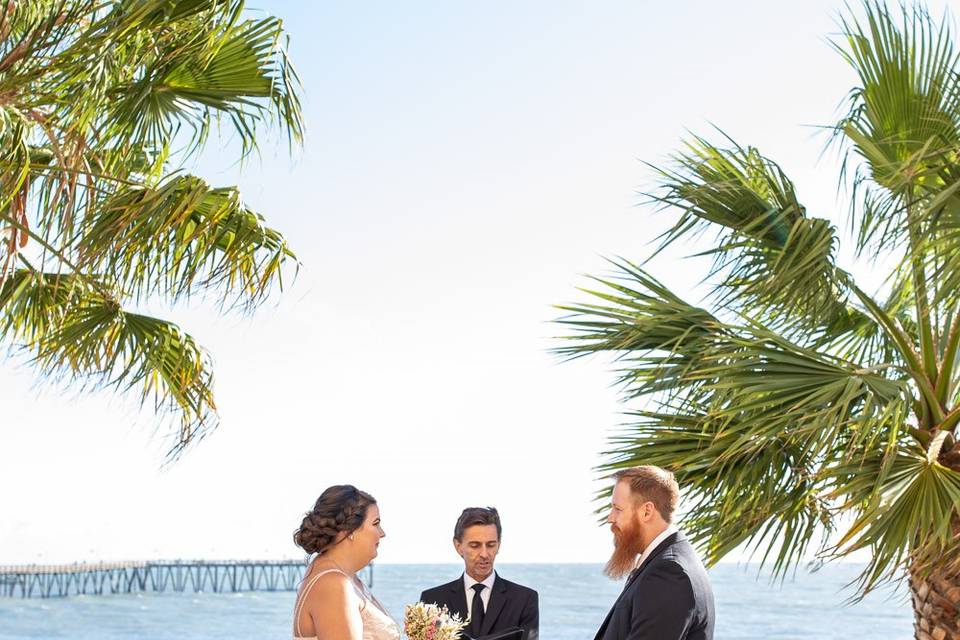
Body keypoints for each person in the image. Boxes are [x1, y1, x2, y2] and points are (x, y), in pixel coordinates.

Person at [593, 466, 715, 640]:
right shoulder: (668, 563)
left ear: (647, 511)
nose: (610, 518)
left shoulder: (668, 574)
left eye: (617, 509)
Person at [292, 485, 400, 640]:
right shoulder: (334, 584)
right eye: (375, 523)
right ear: (350, 530)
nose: (382, 533)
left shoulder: (341, 576)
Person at [420, 507, 538, 640]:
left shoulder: (525, 599)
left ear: (499, 545)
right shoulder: (432, 600)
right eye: (475, 546)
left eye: (491, 545)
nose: (484, 554)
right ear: (458, 546)